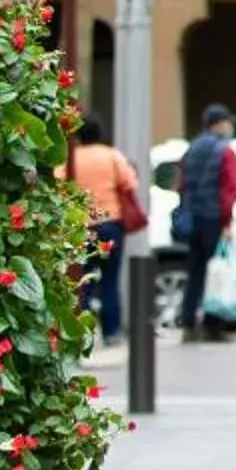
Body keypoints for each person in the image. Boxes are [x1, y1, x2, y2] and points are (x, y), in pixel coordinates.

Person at [66, 118, 143, 344]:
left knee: (82, 281)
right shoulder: (112, 156)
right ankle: (112, 332)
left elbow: (59, 181)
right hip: (111, 224)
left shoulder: (72, 158)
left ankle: (83, 332)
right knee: (111, 280)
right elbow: (130, 183)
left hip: (80, 226)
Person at [173, 104, 236, 344]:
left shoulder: (191, 149)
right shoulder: (226, 152)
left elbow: (182, 185)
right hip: (214, 217)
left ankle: (188, 321)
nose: (230, 127)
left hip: (193, 218)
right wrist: (227, 222)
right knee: (216, 272)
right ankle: (213, 325)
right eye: (227, 122)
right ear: (219, 124)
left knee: (195, 270)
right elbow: (229, 189)